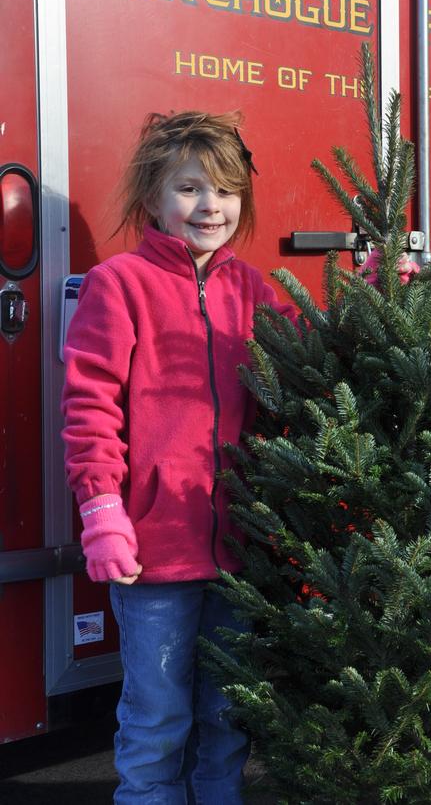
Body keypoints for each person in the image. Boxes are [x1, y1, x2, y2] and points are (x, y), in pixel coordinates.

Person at [61, 110, 297, 804]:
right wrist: (102, 511)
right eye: (190, 188)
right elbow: (90, 406)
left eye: (224, 191)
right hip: (152, 553)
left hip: (236, 549)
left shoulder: (251, 290)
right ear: (154, 199)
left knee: (227, 721)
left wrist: (381, 293)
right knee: (157, 721)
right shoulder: (119, 284)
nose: (210, 206)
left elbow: (305, 365)